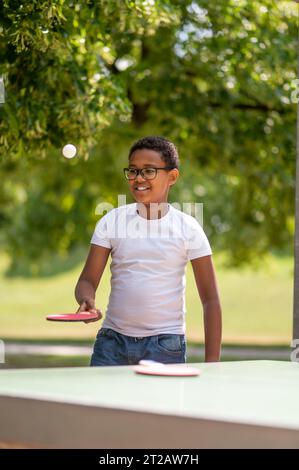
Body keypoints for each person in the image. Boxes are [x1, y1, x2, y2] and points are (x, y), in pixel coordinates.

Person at [75, 136, 222, 366]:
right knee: (101, 403)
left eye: (149, 171)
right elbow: (87, 280)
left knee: (156, 404)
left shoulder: (188, 228)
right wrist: (86, 299)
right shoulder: (112, 221)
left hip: (165, 345)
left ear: (172, 176)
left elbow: (210, 300)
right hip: (112, 344)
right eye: (132, 171)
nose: (138, 178)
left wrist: (212, 363)